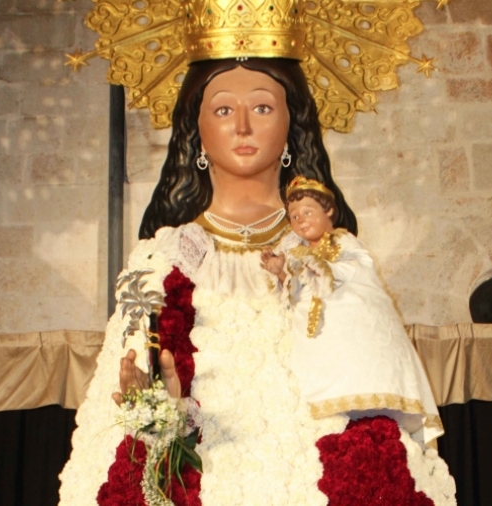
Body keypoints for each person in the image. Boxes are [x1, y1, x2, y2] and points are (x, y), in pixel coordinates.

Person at [60, 59, 454, 506]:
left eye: (263, 108)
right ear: (198, 129)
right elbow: (120, 409)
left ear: (291, 126)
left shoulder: (332, 257)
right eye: (224, 110)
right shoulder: (158, 258)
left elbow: (371, 376)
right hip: (197, 471)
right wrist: (156, 414)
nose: (243, 126)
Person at [260, 176, 443, 444]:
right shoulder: (294, 254)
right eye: (295, 216)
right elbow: (291, 294)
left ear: (329, 212)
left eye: (308, 212)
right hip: (311, 335)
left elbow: (360, 268)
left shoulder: (343, 242)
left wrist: (323, 267)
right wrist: (281, 273)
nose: (301, 220)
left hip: (348, 321)